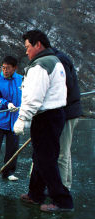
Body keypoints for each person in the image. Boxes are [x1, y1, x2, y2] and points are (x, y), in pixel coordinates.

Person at [14, 29, 73, 212]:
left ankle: (62, 200)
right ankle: (35, 194)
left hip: (46, 117)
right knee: (40, 157)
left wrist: (22, 117)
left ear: (38, 44)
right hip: (54, 115)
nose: (26, 51)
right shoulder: (54, 60)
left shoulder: (41, 65)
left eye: (28, 47)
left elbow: (34, 96)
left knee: (46, 159)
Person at [52, 48, 82, 190]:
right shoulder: (59, 58)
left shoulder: (59, 60)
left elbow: (65, 87)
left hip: (66, 112)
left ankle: (61, 191)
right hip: (69, 111)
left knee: (62, 152)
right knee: (66, 150)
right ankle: (66, 184)